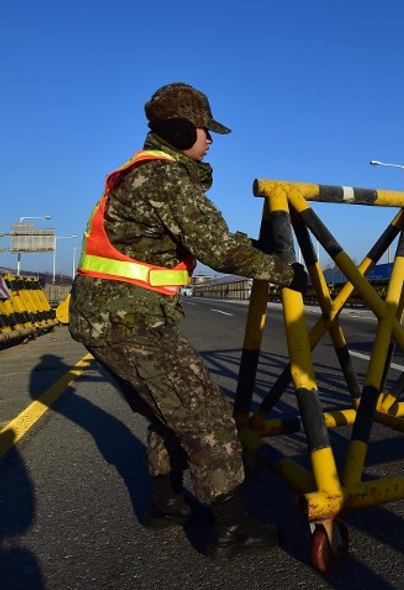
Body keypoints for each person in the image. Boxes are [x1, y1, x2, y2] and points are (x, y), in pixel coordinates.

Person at [69, 82, 308, 560]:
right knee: (207, 415)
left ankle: (167, 504)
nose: (211, 141)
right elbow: (218, 249)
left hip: (110, 316)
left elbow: (203, 234)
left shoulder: (137, 173)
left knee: (168, 410)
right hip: (127, 320)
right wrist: (287, 272)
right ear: (179, 131)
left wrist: (253, 248)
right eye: (205, 131)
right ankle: (231, 527)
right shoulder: (166, 178)